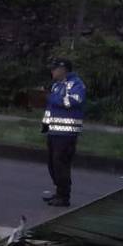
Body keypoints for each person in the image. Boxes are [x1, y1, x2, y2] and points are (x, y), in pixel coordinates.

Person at [42, 57, 86, 207]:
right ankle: (58, 192)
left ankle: (63, 196)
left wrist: (52, 97)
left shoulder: (77, 84)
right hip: (54, 132)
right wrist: (46, 124)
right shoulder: (56, 86)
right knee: (52, 164)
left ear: (63, 69)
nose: (52, 71)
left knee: (61, 165)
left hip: (67, 134)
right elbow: (50, 108)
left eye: (55, 68)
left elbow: (73, 101)